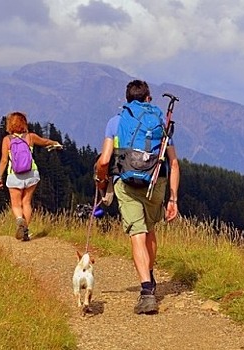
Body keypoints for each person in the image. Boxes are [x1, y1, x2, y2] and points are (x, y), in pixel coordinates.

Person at [95, 80, 180, 314]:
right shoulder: (161, 122)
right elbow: (173, 162)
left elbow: (104, 161)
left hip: (126, 182)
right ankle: (150, 276)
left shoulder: (116, 122)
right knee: (150, 229)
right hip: (156, 181)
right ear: (148, 98)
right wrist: (173, 199)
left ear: (127, 99)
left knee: (137, 233)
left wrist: (102, 180)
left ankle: (146, 290)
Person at [0, 111, 62, 241]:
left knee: (16, 204)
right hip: (31, 174)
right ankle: (25, 231)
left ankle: (20, 221)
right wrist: (55, 143)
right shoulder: (30, 137)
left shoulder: (7, 140)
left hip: (14, 175)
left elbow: (4, 160)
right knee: (26, 202)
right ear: (24, 123)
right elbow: (45, 142)